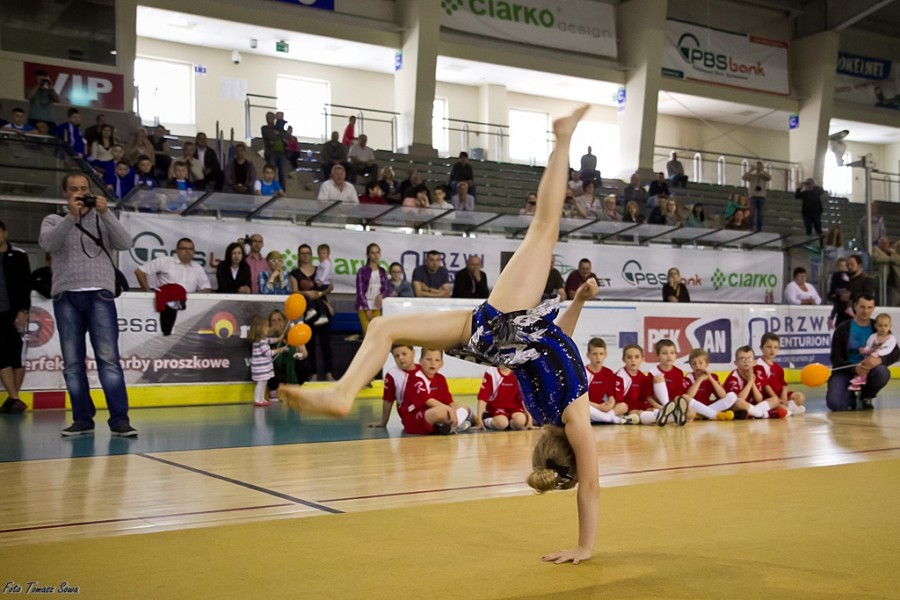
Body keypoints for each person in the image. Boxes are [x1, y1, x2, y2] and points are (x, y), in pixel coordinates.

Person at [280, 106, 601, 564]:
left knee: (545, 227)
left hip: (504, 327)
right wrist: (580, 301)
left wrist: (586, 547)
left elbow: (589, 485)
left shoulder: (576, 418)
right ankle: (341, 393)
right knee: (388, 327)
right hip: (492, 342)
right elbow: (556, 341)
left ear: (569, 448)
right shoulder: (554, 409)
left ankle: (564, 136)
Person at [39, 173, 136, 436]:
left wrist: (106, 214)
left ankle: (119, 419)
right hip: (66, 296)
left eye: (84, 189)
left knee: (108, 359)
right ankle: (82, 418)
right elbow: (48, 243)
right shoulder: (54, 219)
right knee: (72, 363)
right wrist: (71, 216)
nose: (80, 193)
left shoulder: (103, 216)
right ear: (65, 194)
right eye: (74, 190)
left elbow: (125, 243)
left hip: (100, 295)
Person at [826, 294, 900, 411]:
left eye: (869, 307)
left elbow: (896, 352)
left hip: (870, 371)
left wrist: (880, 360)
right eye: (862, 307)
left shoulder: (879, 326)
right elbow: (835, 358)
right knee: (835, 404)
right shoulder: (843, 328)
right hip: (846, 372)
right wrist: (854, 369)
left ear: (874, 308)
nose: (866, 311)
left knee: (882, 372)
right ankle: (850, 397)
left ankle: (866, 396)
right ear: (855, 306)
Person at [289, 244, 334, 381]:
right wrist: (307, 294)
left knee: (326, 342)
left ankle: (329, 373)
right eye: (302, 253)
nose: (305, 256)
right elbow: (294, 291)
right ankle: (313, 373)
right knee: (310, 343)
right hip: (307, 310)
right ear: (298, 255)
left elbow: (330, 286)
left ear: (311, 255)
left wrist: (320, 294)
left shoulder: (320, 269)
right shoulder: (295, 273)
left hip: (322, 309)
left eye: (308, 253)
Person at [0, 220, 30, 414]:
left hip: (13, 312)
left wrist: (23, 310)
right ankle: (15, 397)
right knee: (1, 355)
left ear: (5, 233)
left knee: (16, 356)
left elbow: (25, 284)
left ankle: (13, 398)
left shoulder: (18, 255)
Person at [681, 348, 746, 421]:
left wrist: (711, 379)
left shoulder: (713, 376)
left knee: (732, 396)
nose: (697, 366)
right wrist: (700, 380)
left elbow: (723, 395)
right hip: (695, 407)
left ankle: (702, 415)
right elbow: (689, 396)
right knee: (685, 398)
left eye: (700, 363)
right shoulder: (689, 377)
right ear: (690, 366)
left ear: (707, 364)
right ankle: (713, 414)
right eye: (694, 364)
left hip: (709, 406)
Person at [723, 346, 785, 419]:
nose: (746, 361)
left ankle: (752, 413)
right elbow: (740, 399)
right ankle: (765, 414)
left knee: (775, 399)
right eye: (742, 359)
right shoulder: (733, 377)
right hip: (739, 407)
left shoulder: (758, 370)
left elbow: (759, 399)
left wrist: (752, 383)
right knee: (739, 402)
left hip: (753, 406)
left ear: (754, 362)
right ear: (735, 363)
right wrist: (750, 381)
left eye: (749, 359)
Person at [135, 237, 213, 294]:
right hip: (166, 302)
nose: (187, 251)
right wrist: (148, 292)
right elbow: (139, 271)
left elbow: (206, 288)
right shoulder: (164, 261)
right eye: (183, 248)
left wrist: (194, 297)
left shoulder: (198, 268)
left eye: (190, 249)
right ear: (177, 251)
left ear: (194, 251)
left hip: (190, 305)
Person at [756, 333, 806, 415]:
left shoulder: (778, 368)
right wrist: (776, 398)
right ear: (761, 348)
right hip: (769, 397)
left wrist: (784, 396)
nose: (772, 350)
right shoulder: (759, 365)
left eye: (775, 347)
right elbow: (765, 385)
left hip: (779, 395)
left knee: (800, 397)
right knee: (782, 408)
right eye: (768, 347)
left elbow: (783, 384)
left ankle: (788, 409)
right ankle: (787, 410)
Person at [848, 314, 896, 391]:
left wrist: (878, 353)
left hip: (878, 358)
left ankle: (862, 379)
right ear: (876, 326)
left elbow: (888, 350)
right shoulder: (873, 336)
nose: (883, 328)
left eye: (885, 326)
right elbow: (869, 346)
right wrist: (865, 350)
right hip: (869, 356)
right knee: (862, 364)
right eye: (880, 326)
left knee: (869, 365)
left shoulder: (891, 339)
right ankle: (858, 382)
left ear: (890, 326)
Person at [267, 310, 309, 397]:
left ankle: (296, 386)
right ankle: (274, 389)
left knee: (304, 364)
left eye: (279, 320)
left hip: (291, 369)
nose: (277, 323)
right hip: (277, 372)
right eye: (273, 321)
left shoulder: (293, 334)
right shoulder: (268, 337)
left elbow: (305, 353)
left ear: (284, 321)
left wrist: (301, 356)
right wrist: (273, 332)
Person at [648, 339, 690, 427]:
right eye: (664, 353)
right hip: (658, 406)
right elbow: (649, 398)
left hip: (673, 405)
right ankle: (668, 413)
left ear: (676, 355)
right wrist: (662, 407)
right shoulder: (653, 372)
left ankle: (667, 415)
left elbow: (678, 396)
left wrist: (675, 406)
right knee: (659, 378)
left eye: (672, 352)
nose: (669, 356)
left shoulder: (679, 373)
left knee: (691, 413)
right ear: (658, 356)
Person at [476, 365, 532, 430]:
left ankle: (509, 424)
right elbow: (483, 396)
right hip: (496, 408)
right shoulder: (491, 372)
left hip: (514, 408)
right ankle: (486, 421)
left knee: (520, 421)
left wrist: (529, 417)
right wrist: (479, 418)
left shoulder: (518, 372)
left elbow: (523, 397)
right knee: (501, 423)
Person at [583, 338, 624, 425]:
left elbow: (611, 397)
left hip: (602, 408)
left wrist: (610, 405)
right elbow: (580, 400)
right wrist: (598, 407)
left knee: (623, 406)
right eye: (594, 354)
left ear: (605, 355)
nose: (598, 357)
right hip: (590, 406)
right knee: (582, 408)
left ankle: (601, 418)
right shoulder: (583, 372)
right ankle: (609, 419)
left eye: (601, 354)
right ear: (588, 355)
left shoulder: (608, 373)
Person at [612, 344, 655, 425]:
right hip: (625, 408)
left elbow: (643, 399)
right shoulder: (620, 376)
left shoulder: (642, 377)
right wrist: (632, 410)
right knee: (636, 413)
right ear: (623, 359)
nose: (633, 360)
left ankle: (659, 416)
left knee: (651, 410)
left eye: (637, 357)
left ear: (642, 359)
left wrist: (647, 408)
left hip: (637, 408)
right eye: (629, 357)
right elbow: (619, 401)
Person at [828, 254, 875, 327]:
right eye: (848, 264)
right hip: (841, 319)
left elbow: (868, 297)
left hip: (857, 319)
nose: (849, 267)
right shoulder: (843, 279)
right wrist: (839, 296)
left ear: (859, 265)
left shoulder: (867, 280)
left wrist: (851, 296)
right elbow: (830, 295)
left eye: (852, 264)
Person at [355, 243, 391, 334]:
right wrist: (367, 309)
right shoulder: (362, 271)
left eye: (377, 252)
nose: (376, 255)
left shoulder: (382, 271)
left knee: (377, 333)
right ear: (368, 255)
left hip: (377, 305)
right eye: (373, 253)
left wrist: (381, 295)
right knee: (369, 332)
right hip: (364, 306)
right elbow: (360, 292)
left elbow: (386, 289)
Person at [248, 315, 279, 407]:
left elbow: (271, 340)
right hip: (261, 368)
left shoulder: (263, 340)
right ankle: (257, 399)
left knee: (264, 383)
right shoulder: (261, 342)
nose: (268, 329)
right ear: (260, 328)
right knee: (261, 383)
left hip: (263, 368)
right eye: (266, 327)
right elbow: (268, 353)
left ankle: (261, 399)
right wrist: (279, 350)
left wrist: (279, 338)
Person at [260, 111, 289, 190]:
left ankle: (282, 191)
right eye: (267, 117)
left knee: (282, 173)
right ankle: (270, 189)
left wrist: (278, 135)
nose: (268, 119)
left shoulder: (278, 128)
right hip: (271, 153)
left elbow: (287, 135)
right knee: (271, 173)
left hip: (281, 153)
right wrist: (281, 138)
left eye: (270, 117)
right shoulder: (264, 128)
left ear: (274, 118)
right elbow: (269, 136)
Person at [870, 236, 900, 306]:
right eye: (882, 242)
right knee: (882, 302)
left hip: (894, 282)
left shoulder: (891, 252)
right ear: (878, 243)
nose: (884, 244)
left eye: (886, 242)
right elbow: (877, 258)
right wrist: (891, 259)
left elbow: (898, 259)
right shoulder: (875, 250)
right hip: (881, 282)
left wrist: (888, 258)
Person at [742, 161, 770, 232]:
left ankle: (759, 229)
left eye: (759, 166)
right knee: (751, 214)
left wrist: (763, 170)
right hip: (753, 196)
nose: (758, 167)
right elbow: (743, 177)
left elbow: (769, 177)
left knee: (760, 215)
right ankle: (750, 228)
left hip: (761, 197)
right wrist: (751, 170)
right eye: (757, 166)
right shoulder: (752, 176)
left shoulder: (764, 176)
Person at [827, 258, 850, 328]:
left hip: (848, 293)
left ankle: (848, 308)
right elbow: (833, 287)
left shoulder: (850, 274)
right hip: (838, 293)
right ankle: (831, 319)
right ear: (838, 267)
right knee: (837, 305)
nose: (843, 267)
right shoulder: (836, 275)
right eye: (841, 266)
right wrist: (838, 291)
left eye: (844, 265)